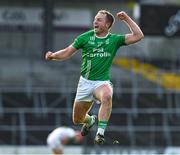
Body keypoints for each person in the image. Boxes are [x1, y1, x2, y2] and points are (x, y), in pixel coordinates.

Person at [45, 10, 144, 145]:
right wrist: (53, 55)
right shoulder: (85, 38)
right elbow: (68, 52)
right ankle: (90, 120)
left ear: (107, 24)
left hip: (101, 82)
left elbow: (138, 36)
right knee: (77, 119)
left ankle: (100, 133)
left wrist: (126, 18)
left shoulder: (114, 40)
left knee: (107, 96)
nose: (95, 22)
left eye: (99, 20)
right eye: (95, 19)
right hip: (85, 83)